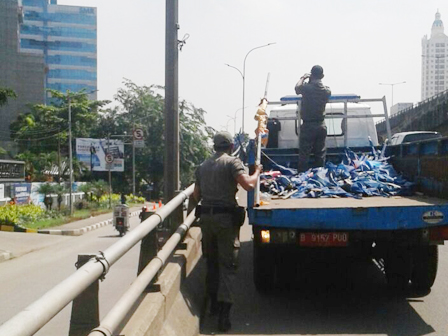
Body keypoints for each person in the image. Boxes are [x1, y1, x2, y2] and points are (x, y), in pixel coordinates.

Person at [193, 131, 262, 332]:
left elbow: (196, 196)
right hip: (225, 222)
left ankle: (212, 306)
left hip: (206, 220)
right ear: (231, 147)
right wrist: (256, 171)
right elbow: (248, 185)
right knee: (227, 266)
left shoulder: (202, 166)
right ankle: (224, 315)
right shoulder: (232, 163)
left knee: (211, 263)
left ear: (214, 147)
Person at [295, 65, 331, 172]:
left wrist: (303, 78)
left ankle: (302, 176)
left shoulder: (307, 88)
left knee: (304, 155)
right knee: (320, 154)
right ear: (322, 76)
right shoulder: (327, 91)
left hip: (308, 125)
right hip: (321, 125)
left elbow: (297, 89)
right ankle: (319, 175)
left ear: (311, 75)